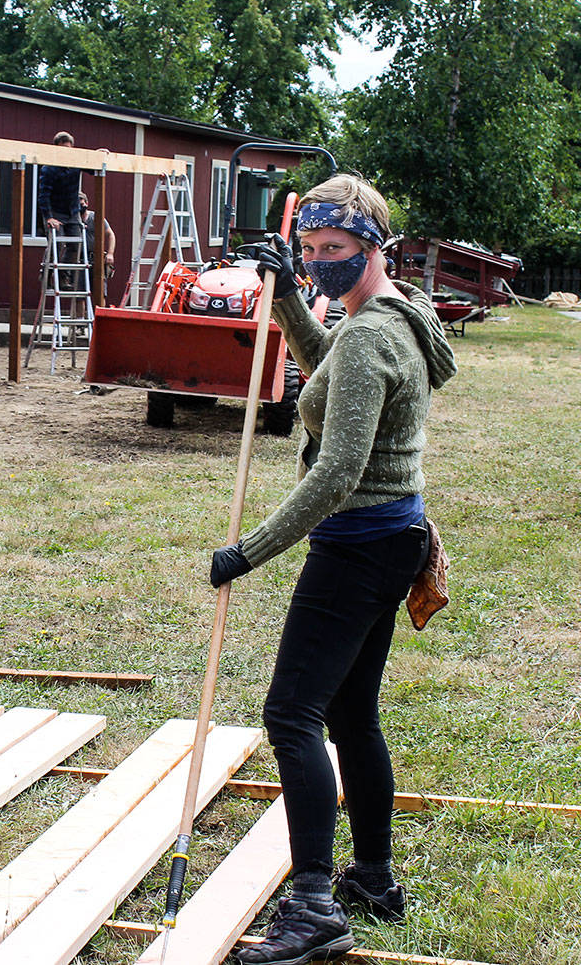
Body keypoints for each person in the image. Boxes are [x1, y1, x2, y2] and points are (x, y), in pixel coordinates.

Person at [210, 174, 457, 965]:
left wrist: (248, 551)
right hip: (395, 537)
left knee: (291, 715)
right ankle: (374, 880)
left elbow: (337, 470)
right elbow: (331, 370)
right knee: (350, 715)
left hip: (355, 546)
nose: (319, 263)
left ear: (371, 246)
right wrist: (284, 299)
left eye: (333, 251)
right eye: (308, 251)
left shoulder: (369, 335)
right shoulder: (393, 315)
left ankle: (314, 904)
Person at [37, 132, 83, 289]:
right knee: (57, 243)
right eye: (62, 149)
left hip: (72, 212)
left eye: (68, 149)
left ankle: (63, 276)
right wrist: (49, 217)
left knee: (76, 246)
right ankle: (46, 273)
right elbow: (43, 196)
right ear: (55, 149)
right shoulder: (49, 169)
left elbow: (93, 168)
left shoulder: (75, 165)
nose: (66, 153)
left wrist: (99, 155)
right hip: (54, 212)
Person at [79, 191, 115, 282]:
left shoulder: (96, 217)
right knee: (80, 291)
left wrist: (110, 253)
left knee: (100, 291)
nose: (79, 207)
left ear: (87, 203)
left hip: (96, 259)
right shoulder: (72, 220)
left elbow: (111, 235)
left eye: (81, 203)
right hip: (79, 260)